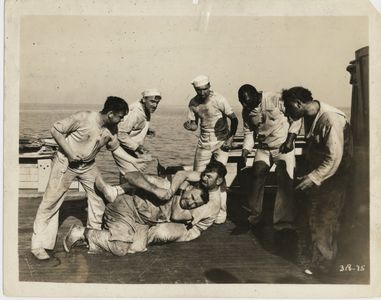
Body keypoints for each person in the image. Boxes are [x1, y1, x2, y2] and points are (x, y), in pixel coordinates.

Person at [31, 96, 147, 260]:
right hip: (65, 163)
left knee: (97, 200)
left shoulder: (111, 128)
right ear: (111, 114)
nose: (121, 121)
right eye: (120, 117)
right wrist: (70, 154)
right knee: (50, 203)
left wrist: (135, 160)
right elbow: (56, 130)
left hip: (88, 166)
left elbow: (116, 149)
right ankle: (39, 246)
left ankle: (91, 237)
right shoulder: (84, 117)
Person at [63, 161, 227, 256]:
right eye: (191, 197)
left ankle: (97, 239)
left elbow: (179, 215)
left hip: (143, 221)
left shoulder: (210, 203)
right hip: (125, 208)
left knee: (136, 248)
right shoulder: (167, 186)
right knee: (120, 249)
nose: (190, 203)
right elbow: (130, 175)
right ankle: (82, 232)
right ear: (188, 188)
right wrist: (156, 190)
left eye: (194, 204)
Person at [282, 86, 353, 274]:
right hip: (319, 169)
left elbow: (334, 157)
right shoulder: (307, 112)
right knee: (312, 214)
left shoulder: (330, 119)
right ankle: (318, 256)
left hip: (335, 174)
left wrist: (314, 178)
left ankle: (324, 267)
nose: (288, 113)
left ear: (298, 104)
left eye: (289, 108)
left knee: (324, 217)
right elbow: (296, 122)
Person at [238, 84, 302, 231]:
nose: (245, 105)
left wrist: (290, 140)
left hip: (283, 147)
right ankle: (254, 216)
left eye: (247, 101)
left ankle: (282, 222)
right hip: (263, 148)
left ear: (256, 94)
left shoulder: (275, 98)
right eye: (242, 102)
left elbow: (296, 118)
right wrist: (246, 150)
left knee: (285, 182)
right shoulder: (246, 110)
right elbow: (248, 132)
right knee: (256, 176)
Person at [183, 75, 238, 224]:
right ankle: (201, 212)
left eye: (205, 89)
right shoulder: (193, 103)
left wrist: (230, 139)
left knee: (219, 178)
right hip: (204, 143)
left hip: (221, 143)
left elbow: (234, 119)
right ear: (195, 89)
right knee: (199, 177)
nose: (203, 93)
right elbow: (194, 124)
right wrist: (189, 126)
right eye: (199, 90)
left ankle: (221, 212)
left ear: (209, 86)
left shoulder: (219, 99)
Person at [116, 88, 161, 173]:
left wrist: (147, 130)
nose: (155, 105)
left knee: (147, 162)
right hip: (122, 146)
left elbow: (135, 125)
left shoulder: (145, 109)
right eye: (152, 101)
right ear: (144, 99)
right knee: (132, 175)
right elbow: (121, 133)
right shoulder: (135, 111)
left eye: (157, 102)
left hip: (132, 147)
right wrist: (137, 147)